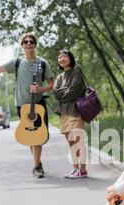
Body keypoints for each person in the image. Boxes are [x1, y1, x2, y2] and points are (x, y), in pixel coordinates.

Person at [0, 33, 54, 178]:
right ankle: (37, 164)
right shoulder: (17, 62)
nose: (29, 43)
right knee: (30, 135)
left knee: (38, 136)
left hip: (37, 104)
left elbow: (51, 84)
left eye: (31, 41)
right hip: (22, 105)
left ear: (35, 45)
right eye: (26, 41)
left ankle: (36, 166)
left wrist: (40, 89)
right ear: (22, 45)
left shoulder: (42, 63)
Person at [52, 49, 88, 179]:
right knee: (71, 143)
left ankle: (83, 170)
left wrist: (63, 93)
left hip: (75, 111)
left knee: (78, 141)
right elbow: (55, 93)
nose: (62, 59)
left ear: (70, 58)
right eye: (59, 57)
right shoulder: (59, 77)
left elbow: (73, 91)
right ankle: (75, 168)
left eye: (64, 56)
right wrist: (64, 92)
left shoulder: (76, 72)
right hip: (64, 113)